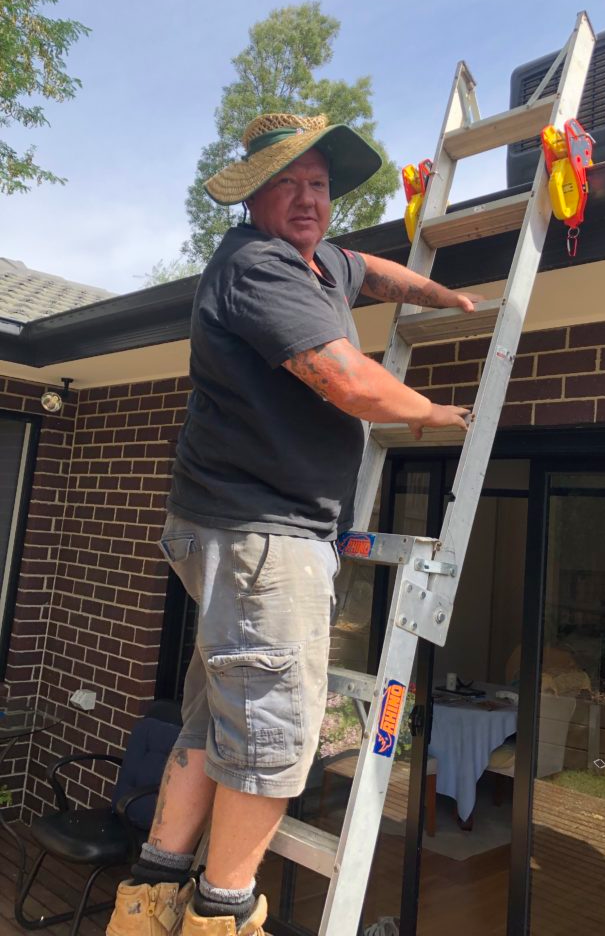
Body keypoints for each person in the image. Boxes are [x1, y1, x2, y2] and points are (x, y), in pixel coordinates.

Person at [106, 112, 480, 936]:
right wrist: (438, 414)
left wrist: (439, 293)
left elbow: (372, 271)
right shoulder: (260, 267)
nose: (308, 197)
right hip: (262, 538)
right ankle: (222, 916)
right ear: (255, 198)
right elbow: (347, 381)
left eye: (318, 183)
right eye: (288, 184)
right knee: (274, 740)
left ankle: (152, 897)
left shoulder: (317, 263)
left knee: (218, 721)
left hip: (241, 534)